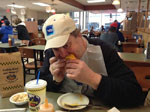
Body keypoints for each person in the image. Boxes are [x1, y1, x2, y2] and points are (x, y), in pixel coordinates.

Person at [39, 14, 147, 107]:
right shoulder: (51, 54)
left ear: (79, 36)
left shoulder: (104, 50)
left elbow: (134, 94)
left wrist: (93, 79)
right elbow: (39, 85)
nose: (62, 54)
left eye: (66, 45)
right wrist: (55, 80)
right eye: (56, 48)